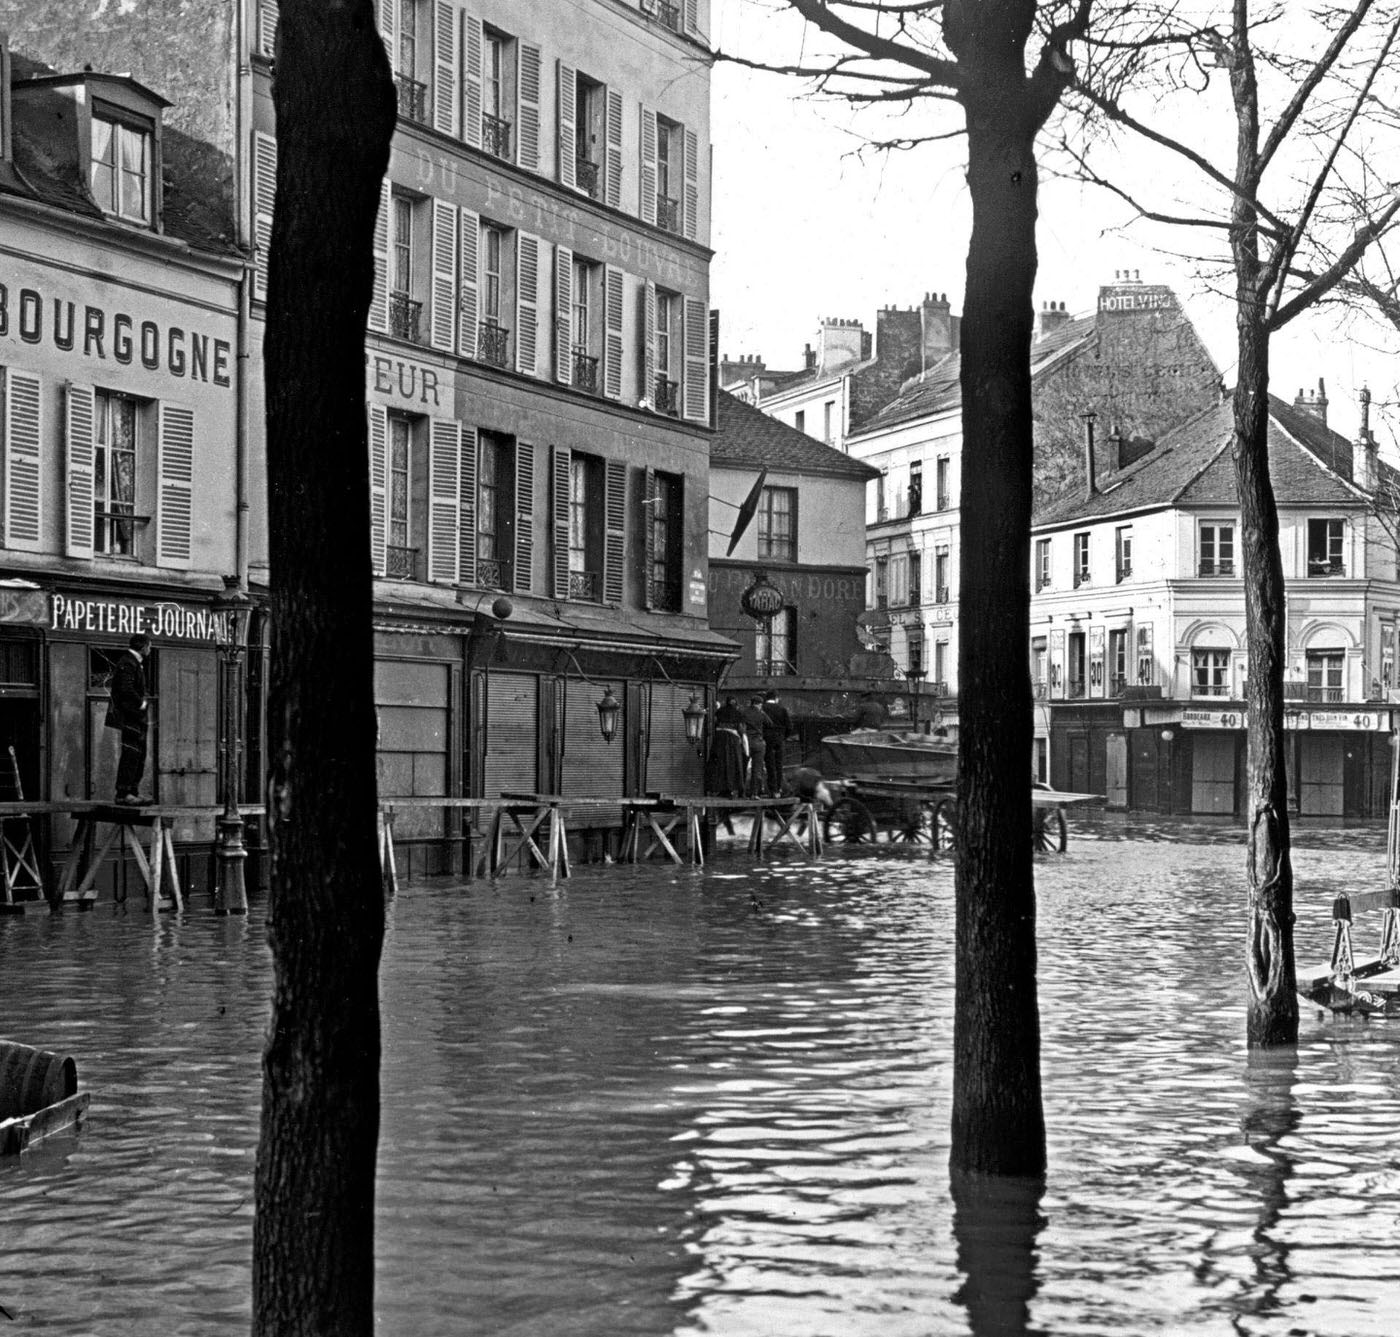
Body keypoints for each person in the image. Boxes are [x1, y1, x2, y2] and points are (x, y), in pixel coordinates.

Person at [107, 633, 152, 804]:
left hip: (135, 717)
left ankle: (131, 791)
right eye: (149, 645)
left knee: (138, 755)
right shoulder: (128, 663)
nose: (150, 649)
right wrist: (141, 703)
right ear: (143, 647)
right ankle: (124, 793)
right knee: (132, 754)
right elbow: (125, 688)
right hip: (131, 717)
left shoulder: (133, 663)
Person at [709, 696, 746, 798]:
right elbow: (741, 729)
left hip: (719, 739)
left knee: (718, 764)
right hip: (732, 740)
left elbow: (715, 723)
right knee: (733, 764)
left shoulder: (720, 712)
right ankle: (732, 789)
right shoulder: (738, 714)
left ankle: (718, 788)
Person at [739, 695, 773, 796]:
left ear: (751, 703)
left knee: (743, 767)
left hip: (746, 743)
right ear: (759, 704)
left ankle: (741, 793)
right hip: (758, 743)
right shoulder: (761, 713)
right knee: (756, 769)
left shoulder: (744, 712)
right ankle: (754, 794)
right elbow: (770, 723)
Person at [761, 689, 792, 796]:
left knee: (769, 764)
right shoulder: (782, 709)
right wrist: (783, 737)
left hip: (766, 738)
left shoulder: (763, 708)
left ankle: (771, 789)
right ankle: (778, 789)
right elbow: (789, 727)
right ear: (776, 698)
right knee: (779, 764)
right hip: (779, 738)